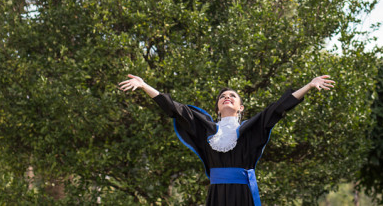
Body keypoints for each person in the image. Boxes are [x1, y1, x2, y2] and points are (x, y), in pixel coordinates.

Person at [118, 74, 334, 206]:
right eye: (222, 97)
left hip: (243, 196)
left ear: (241, 107)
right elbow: (176, 109)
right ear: (218, 107)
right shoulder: (206, 131)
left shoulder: (251, 130)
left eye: (232, 96)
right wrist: (145, 86)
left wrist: (308, 86)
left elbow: (277, 108)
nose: (226, 97)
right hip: (217, 195)